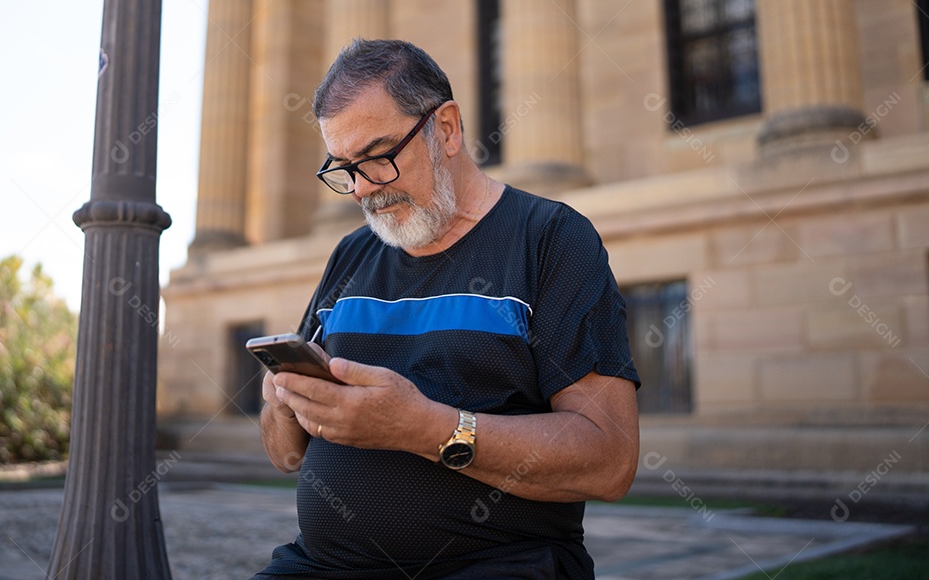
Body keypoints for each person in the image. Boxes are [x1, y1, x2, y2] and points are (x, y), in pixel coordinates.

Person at [252, 39, 640, 579]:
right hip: (322, 566)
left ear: (448, 129)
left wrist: (421, 427)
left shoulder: (550, 239)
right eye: (345, 168)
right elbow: (287, 456)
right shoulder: (352, 254)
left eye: (380, 157)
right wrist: (282, 402)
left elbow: (609, 460)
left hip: (497, 565)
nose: (364, 189)